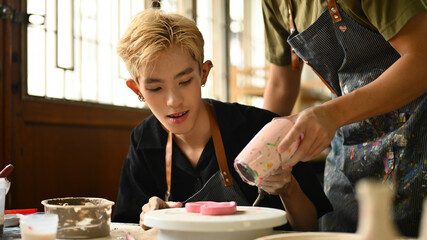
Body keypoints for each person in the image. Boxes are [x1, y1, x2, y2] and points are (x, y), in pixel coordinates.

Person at [112, 7, 332, 231]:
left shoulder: (257, 129)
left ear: (204, 73)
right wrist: (150, 219)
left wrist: (289, 188)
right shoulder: (143, 140)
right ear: (136, 88)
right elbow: (125, 229)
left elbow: (309, 228)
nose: (173, 101)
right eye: (156, 88)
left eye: (185, 81)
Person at [262, 0, 427, 237]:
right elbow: (280, 85)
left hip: (418, 141)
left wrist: (332, 113)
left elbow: (422, 58)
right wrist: (260, 155)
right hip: (349, 151)